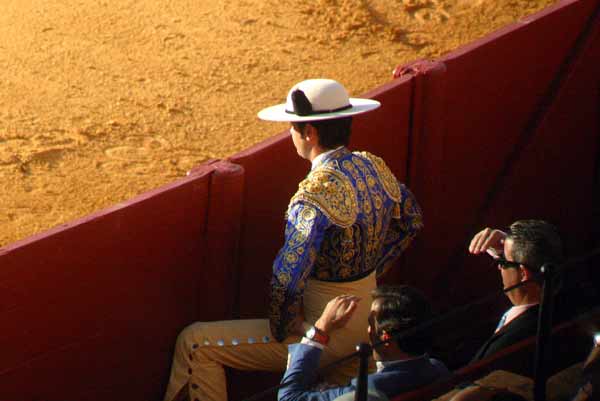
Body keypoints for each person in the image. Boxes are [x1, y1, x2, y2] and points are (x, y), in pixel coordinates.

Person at [163, 79, 424, 401]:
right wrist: (370, 273)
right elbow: (411, 221)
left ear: (309, 133)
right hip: (369, 316)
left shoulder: (314, 195)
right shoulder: (372, 166)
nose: (290, 133)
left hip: (330, 328)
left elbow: (287, 276)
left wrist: (291, 326)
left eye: (292, 126)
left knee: (196, 344)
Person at [278, 286, 449, 401]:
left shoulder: (370, 390)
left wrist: (321, 328)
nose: (368, 330)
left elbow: (289, 398)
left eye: (370, 324)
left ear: (385, 338)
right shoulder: (437, 369)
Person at [468, 219, 563, 362]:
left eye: (502, 262)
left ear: (523, 273)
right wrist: (507, 247)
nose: (499, 267)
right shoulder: (570, 308)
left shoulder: (505, 347)